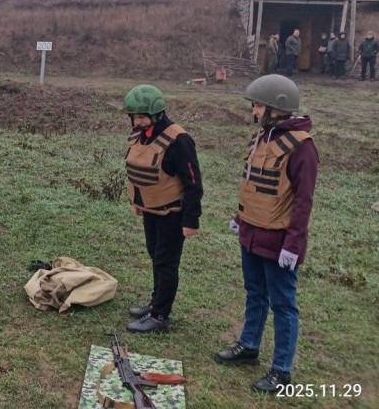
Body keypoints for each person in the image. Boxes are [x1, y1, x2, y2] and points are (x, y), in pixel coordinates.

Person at [216, 74, 318, 395]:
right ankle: (249, 346)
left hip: (278, 241)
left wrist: (294, 244)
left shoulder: (303, 148)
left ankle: (281, 370)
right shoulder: (262, 137)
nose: (254, 111)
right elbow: (254, 184)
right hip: (251, 233)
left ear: (277, 108)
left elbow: (303, 201)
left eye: (258, 105)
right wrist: (239, 218)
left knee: (283, 305)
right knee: (254, 294)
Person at [121, 85, 203, 333]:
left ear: (157, 114)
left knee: (166, 262)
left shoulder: (179, 140)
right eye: (134, 116)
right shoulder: (142, 135)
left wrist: (191, 220)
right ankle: (155, 302)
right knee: (154, 255)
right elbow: (139, 173)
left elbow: (193, 182)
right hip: (151, 211)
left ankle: (159, 316)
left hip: (172, 214)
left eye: (142, 116)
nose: (137, 121)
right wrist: (138, 202)